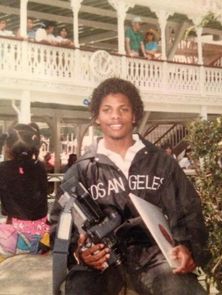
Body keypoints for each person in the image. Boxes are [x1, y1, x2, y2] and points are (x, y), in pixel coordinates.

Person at [50, 78, 210, 295]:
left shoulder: (161, 162)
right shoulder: (82, 170)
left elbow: (189, 210)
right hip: (102, 261)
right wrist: (79, 252)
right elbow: (59, 224)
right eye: (107, 109)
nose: (115, 116)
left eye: (123, 109)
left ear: (134, 115)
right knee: (80, 289)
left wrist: (187, 247)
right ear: (97, 117)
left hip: (155, 256)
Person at [0, 123, 49, 258]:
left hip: (13, 238)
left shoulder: (3, 169)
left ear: (8, 148)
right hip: (43, 237)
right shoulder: (40, 167)